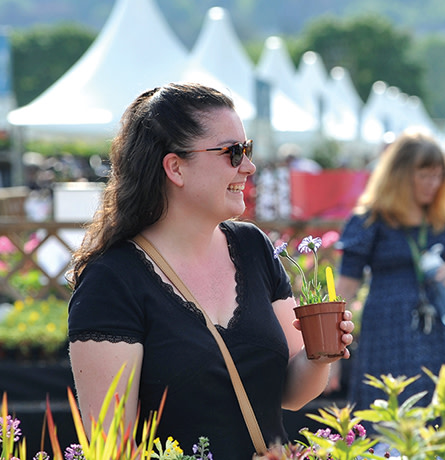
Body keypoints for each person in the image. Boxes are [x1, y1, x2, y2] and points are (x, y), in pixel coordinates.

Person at [67, 82, 353, 459]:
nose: (248, 167)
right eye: (233, 152)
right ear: (175, 168)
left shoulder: (253, 248)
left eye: (247, 150)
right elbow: (111, 445)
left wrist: (320, 355)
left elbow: (292, 393)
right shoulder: (112, 280)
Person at [335, 129, 445, 413]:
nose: (432, 184)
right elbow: (345, 289)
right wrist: (331, 357)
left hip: (437, 328)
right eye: (424, 176)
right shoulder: (370, 218)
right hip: (385, 329)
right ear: (399, 175)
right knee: (383, 409)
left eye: (438, 176)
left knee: (435, 412)